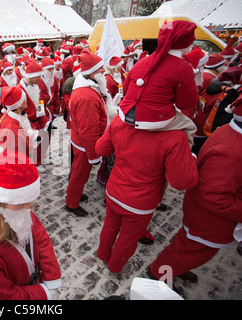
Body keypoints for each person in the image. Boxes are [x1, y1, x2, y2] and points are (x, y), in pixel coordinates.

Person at [95, 97, 199, 279]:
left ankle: (102, 256)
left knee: (110, 225)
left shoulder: (120, 121)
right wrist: (192, 160)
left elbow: (101, 148)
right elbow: (181, 181)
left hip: (114, 189)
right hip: (140, 201)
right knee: (128, 237)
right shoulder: (175, 136)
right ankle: (114, 268)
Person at [148, 97, 242, 283]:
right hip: (208, 219)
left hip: (206, 215)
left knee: (188, 249)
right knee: (188, 251)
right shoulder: (233, 151)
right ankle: (160, 274)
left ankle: (176, 269)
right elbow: (212, 195)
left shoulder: (230, 135)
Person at [0, 151, 62, 300]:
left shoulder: (15, 208)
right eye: (22, 202)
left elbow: (40, 238)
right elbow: (1, 295)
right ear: (1, 198)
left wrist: (51, 279)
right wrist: (43, 294)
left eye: (31, 199)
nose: (29, 207)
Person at [118, 20, 199, 148]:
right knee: (189, 127)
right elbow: (186, 103)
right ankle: (187, 155)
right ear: (184, 43)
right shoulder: (183, 67)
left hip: (125, 112)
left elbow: (127, 88)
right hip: (154, 119)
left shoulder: (142, 61)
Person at [65, 49, 108, 217]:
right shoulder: (86, 96)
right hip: (84, 145)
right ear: (91, 73)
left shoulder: (87, 86)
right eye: (100, 69)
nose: (103, 71)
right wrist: (94, 154)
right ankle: (72, 203)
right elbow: (88, 130)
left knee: (79, 174)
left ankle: (74, 195)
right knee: (79, 175)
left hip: (82, 142)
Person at [0, 86, 38, 160]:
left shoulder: (10, 114)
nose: (26, 99)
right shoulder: (12, 129)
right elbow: (16, 157)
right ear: (19, 104)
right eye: (24, 98)